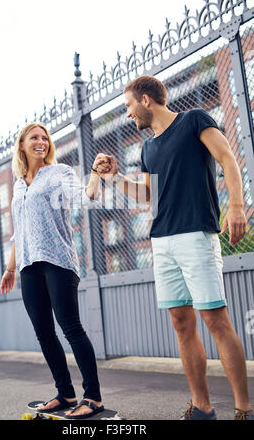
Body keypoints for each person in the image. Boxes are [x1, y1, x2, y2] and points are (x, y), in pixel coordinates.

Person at [96, 75, 254, 420]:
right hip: (162, 241)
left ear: (146, 100)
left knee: (215, 320)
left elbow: (228, 159)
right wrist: (116, 179)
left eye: (128, 107)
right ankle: (202, 408)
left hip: (196, 234)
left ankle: (245, 409)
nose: (128, 115)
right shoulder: (147, 148)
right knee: (181, 323)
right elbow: (148, 195)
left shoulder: (194, 120)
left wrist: (238, 207)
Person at [0, 122, 110, 419]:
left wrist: (96, 175)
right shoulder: (19, 184)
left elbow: (86, 198)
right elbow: (18, 231)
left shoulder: (60, 173)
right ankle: (65, 393)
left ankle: (93, 397)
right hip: (27, 265)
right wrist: (10, 269)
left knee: (70, 328)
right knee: (44, 333)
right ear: (22, 145)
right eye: (34, 137)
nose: (41, 142)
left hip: (58, 261)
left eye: (45, 138)